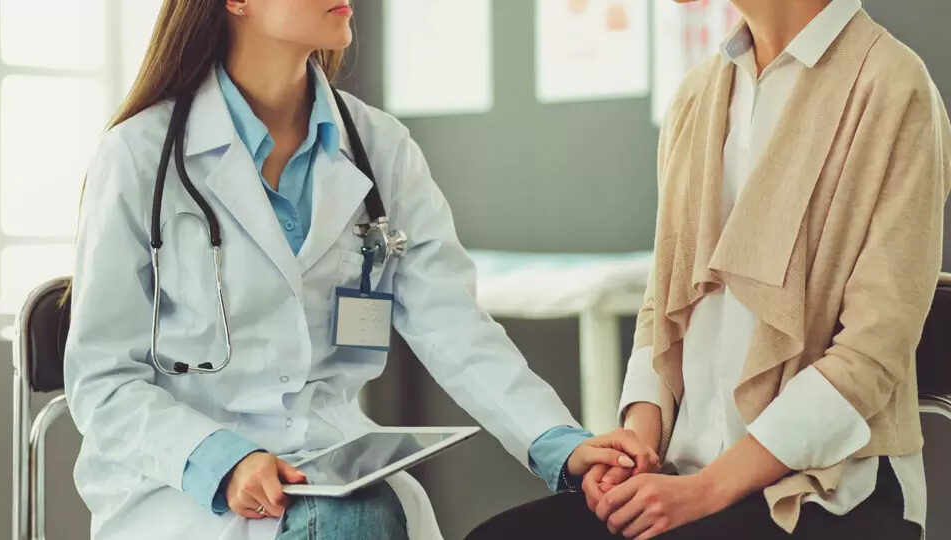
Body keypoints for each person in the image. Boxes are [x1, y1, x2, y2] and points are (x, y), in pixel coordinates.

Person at [62, 1, 650, 539]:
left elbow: (455, 327)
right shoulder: (140, 155)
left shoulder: (380, 146)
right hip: (183, 489)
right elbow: (102, 380)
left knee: (360, 516)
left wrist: (558, 442)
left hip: (334, 469)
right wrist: (221, 459)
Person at [466, 0, 951, 538]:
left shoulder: (893, 87)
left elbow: (871, 353)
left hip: (826, 490)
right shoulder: (697, 95)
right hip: (683, 475)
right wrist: (635, 448)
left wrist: (707, 490)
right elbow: (662, 310)